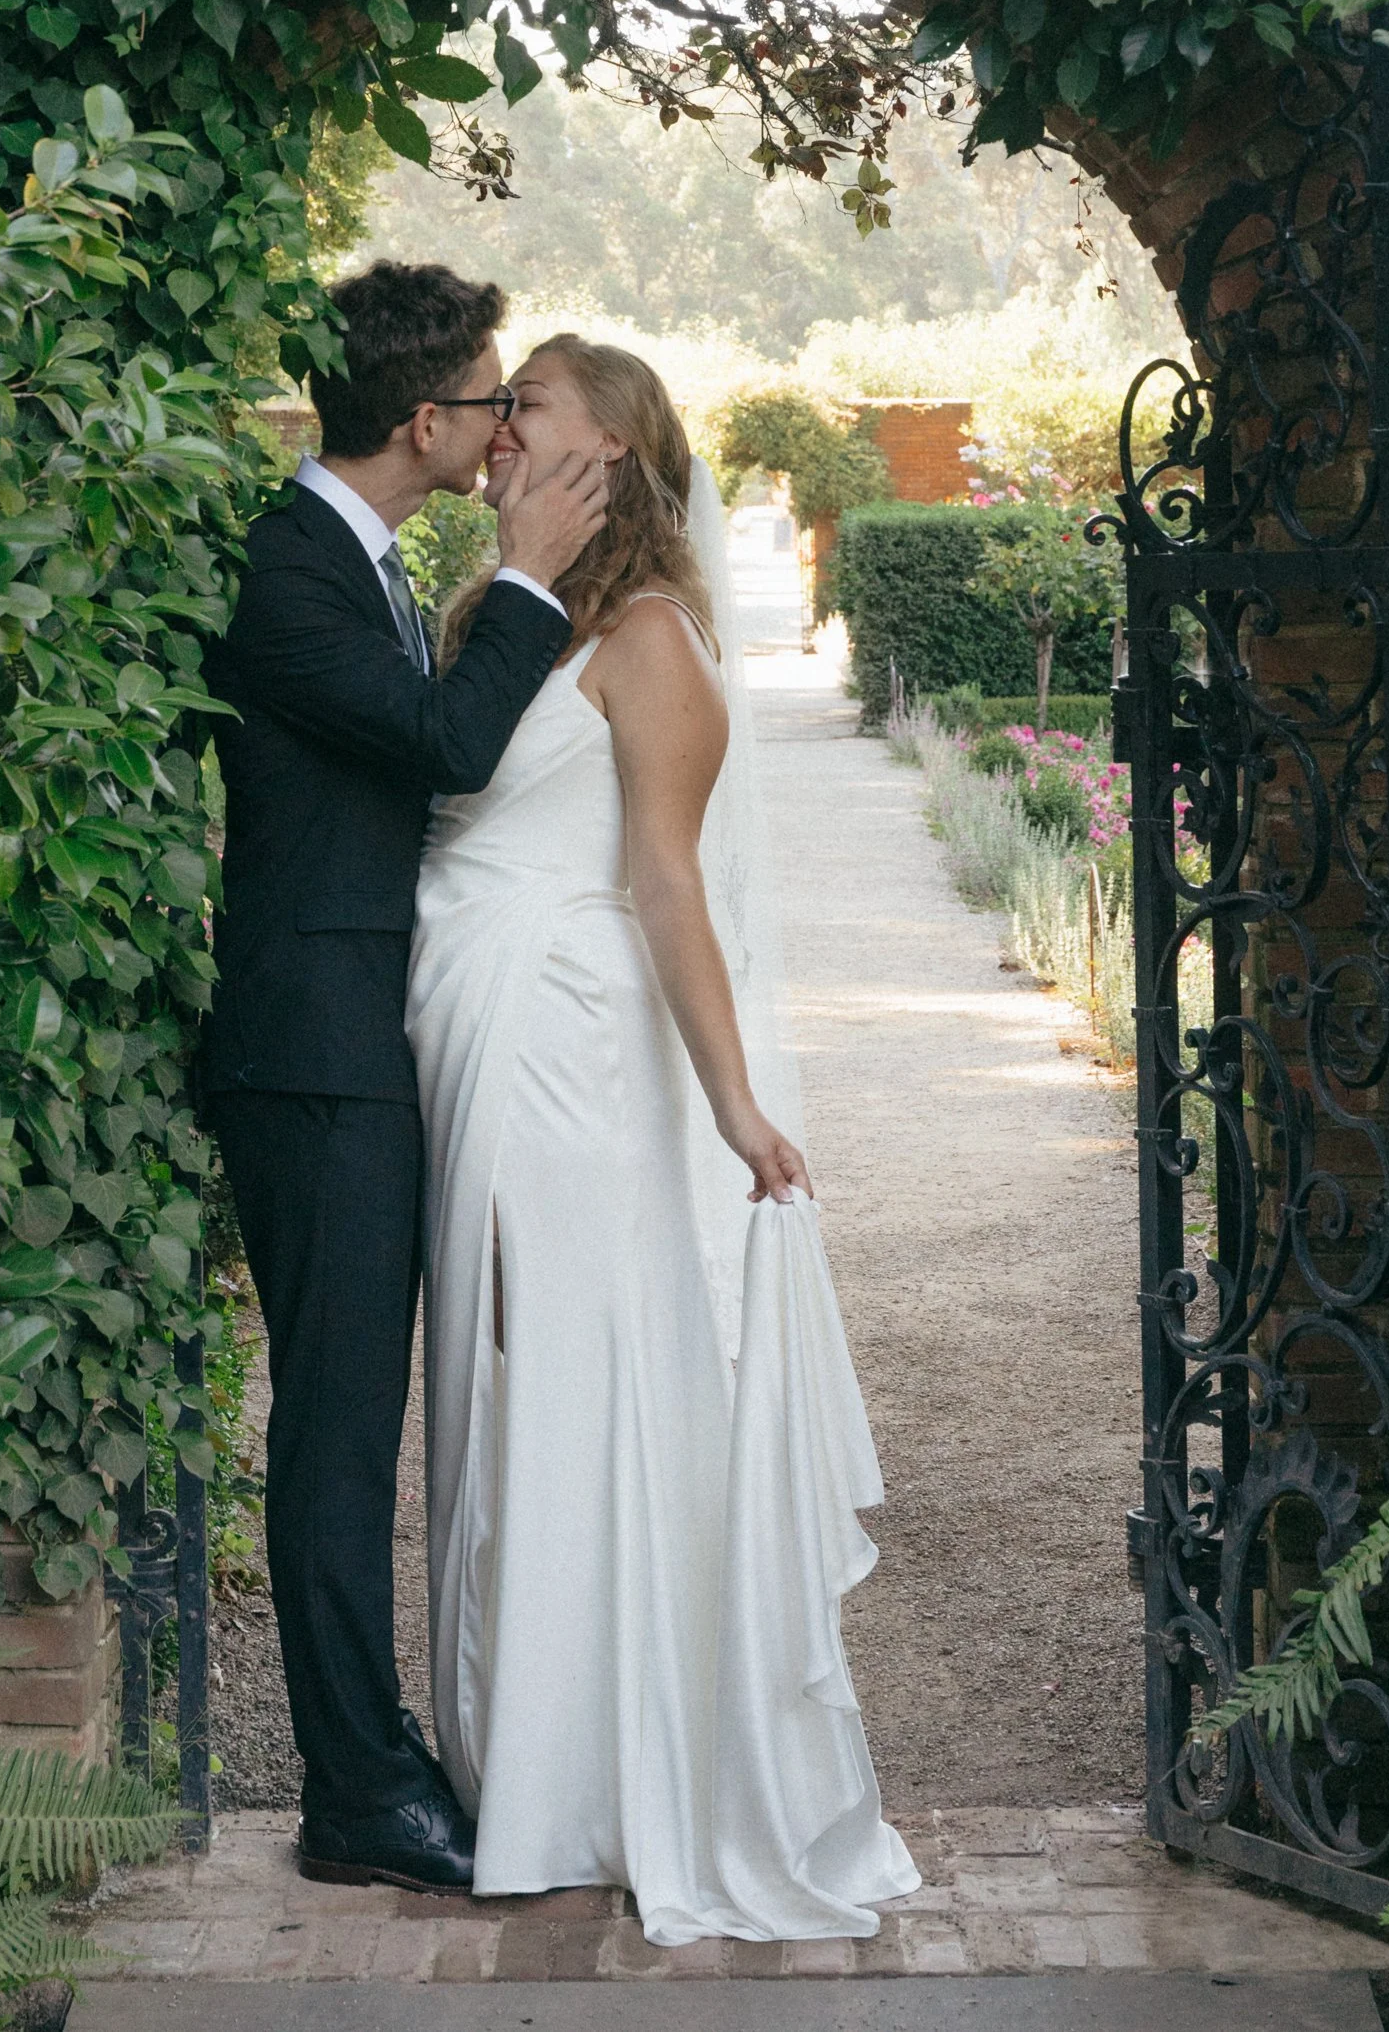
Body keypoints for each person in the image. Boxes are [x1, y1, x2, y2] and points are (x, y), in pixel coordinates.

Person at [408, 334, 918, 1942]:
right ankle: (521, 1761)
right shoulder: (521, 611)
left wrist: (735, 1102)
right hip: (483, 1038)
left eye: (528, 410)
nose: (498, 432)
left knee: (573, 1378)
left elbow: (665, 884)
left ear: (610, 447)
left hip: (569, 1055)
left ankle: (601, 1777)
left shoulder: (650, 643)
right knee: (494, 1385)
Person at [199, 263, 608, 1897]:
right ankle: (353, 1791)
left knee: (361, 1425)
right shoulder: (287, 567)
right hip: (310, 1062)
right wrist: (527, 578)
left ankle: (375, 1762)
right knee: (337, 1434)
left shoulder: (352, 555)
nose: (511, 420)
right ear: (425, 421)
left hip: (364, 1049)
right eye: (496, 397)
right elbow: (444, 746)